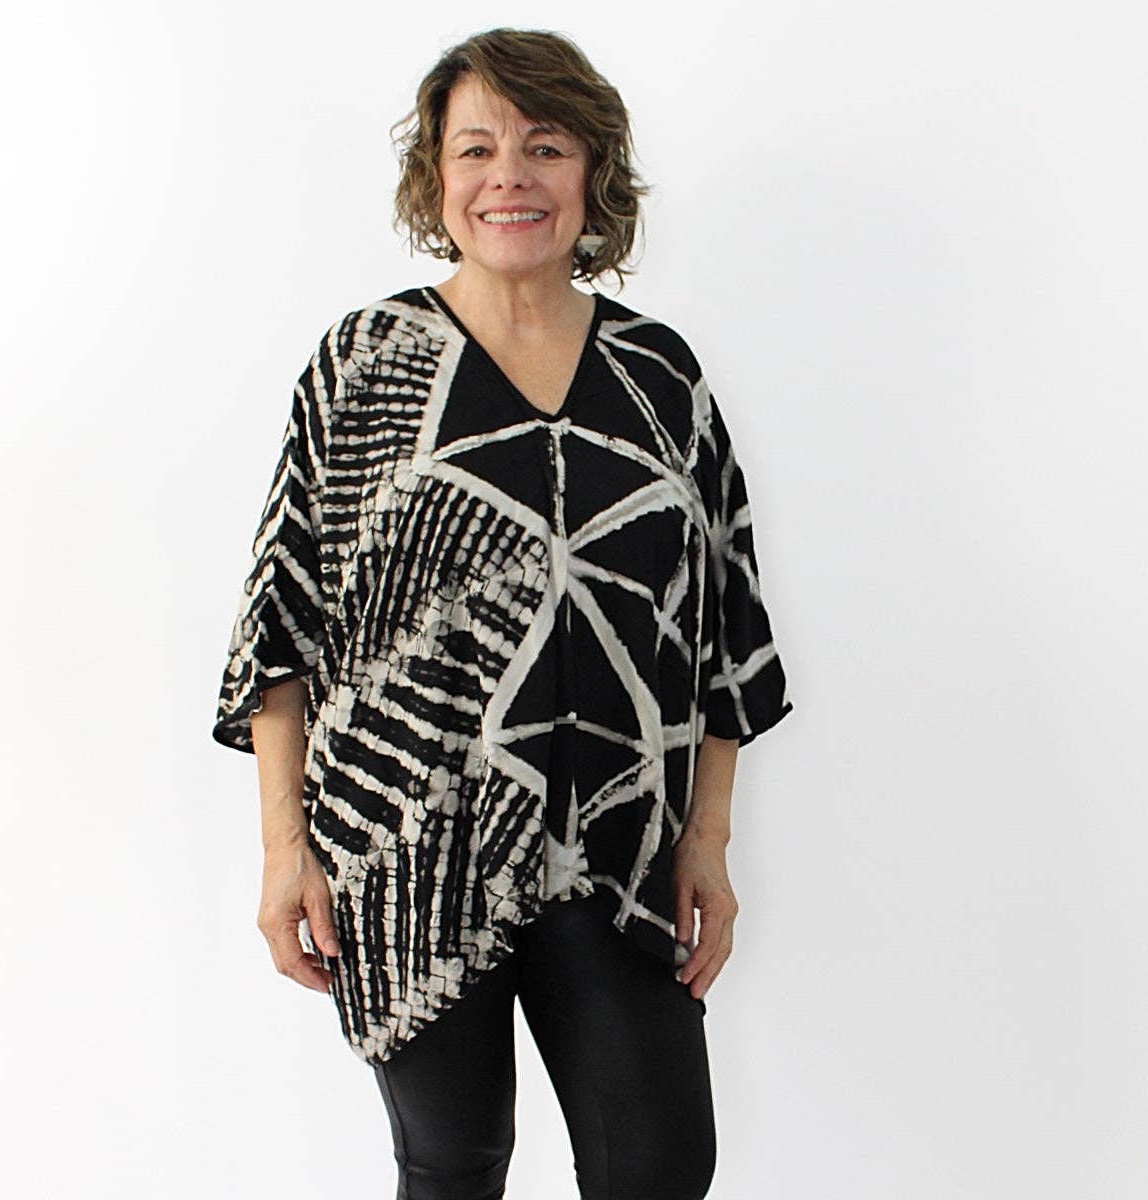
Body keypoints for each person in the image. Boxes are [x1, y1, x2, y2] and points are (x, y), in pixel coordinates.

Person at [211, 26, 794, 1200]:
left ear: (593, 171)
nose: (509, 177)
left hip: (618, 849)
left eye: (545, 145)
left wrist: (708, 842)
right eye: (475, 149)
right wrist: (283, 852)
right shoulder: (364, 363)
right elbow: (283, 621)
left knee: (660, 1164)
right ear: (435, 177)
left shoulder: (660, 376)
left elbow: (724, 634)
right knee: (455, 1164)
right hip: (410, 852)